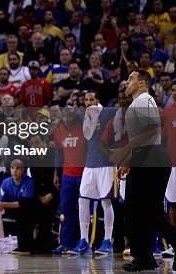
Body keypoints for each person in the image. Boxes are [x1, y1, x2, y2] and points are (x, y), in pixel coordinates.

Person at [109, 70, 176, 272]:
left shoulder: (145, 99)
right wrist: (128, 161)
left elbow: (151, 130)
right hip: (146, 157)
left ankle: (143, 256)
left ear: (143, 83)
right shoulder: (136, 103)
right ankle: (145, 257)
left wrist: (125, 150)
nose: (127, 82)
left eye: (131, 79)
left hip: (151, 157)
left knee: (140, 210)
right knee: (144, 211)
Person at [69, 91, 116, 255]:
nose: (88, 102)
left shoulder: (109, 112)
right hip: (89, 165)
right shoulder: (83, 115)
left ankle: (108, 240)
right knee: (83, 200)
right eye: (86, 100)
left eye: (91, 99)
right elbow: (66, 118)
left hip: (106, 165)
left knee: (106, 202)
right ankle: (83, 241)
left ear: (98, 100)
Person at [52, 108, 85, 254]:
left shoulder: (83, 127)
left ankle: (85, 242)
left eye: (70, 115)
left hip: (84, 174)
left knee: (85, 211)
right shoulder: (59, 130)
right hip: (67, 175)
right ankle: (65, 243)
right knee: (66, 210)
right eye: (64, 115)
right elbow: (58, 153)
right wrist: (56, 173)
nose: (67, 118)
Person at [0, 158, 35, 255]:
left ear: (23, 170)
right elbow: (1, 200)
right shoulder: (5, 182)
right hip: (11, 209)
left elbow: (23, 203)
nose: (14, 171)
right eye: (12, 168)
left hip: (27, 210)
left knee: (23, 213)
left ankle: (25, 247)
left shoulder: (29, 182)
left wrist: (4, 204)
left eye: (18, 168)